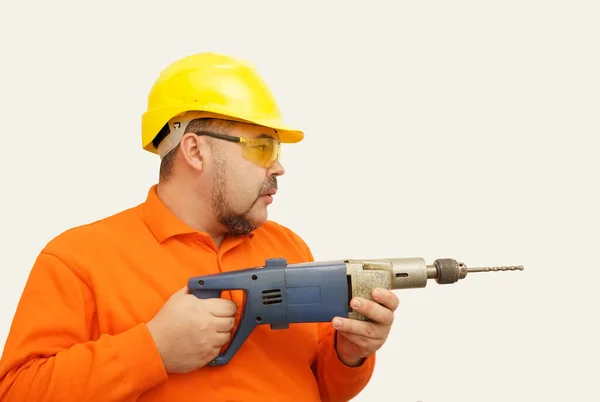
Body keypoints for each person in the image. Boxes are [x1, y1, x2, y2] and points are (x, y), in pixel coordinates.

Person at [0, 52, 399, 401]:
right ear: (195, 150)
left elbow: (322, 388)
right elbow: (18, 393)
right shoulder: (78, 259)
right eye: (263, 146)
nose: (278, 166)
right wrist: (152, 349)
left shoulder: (290, 246)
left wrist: (350, 354)